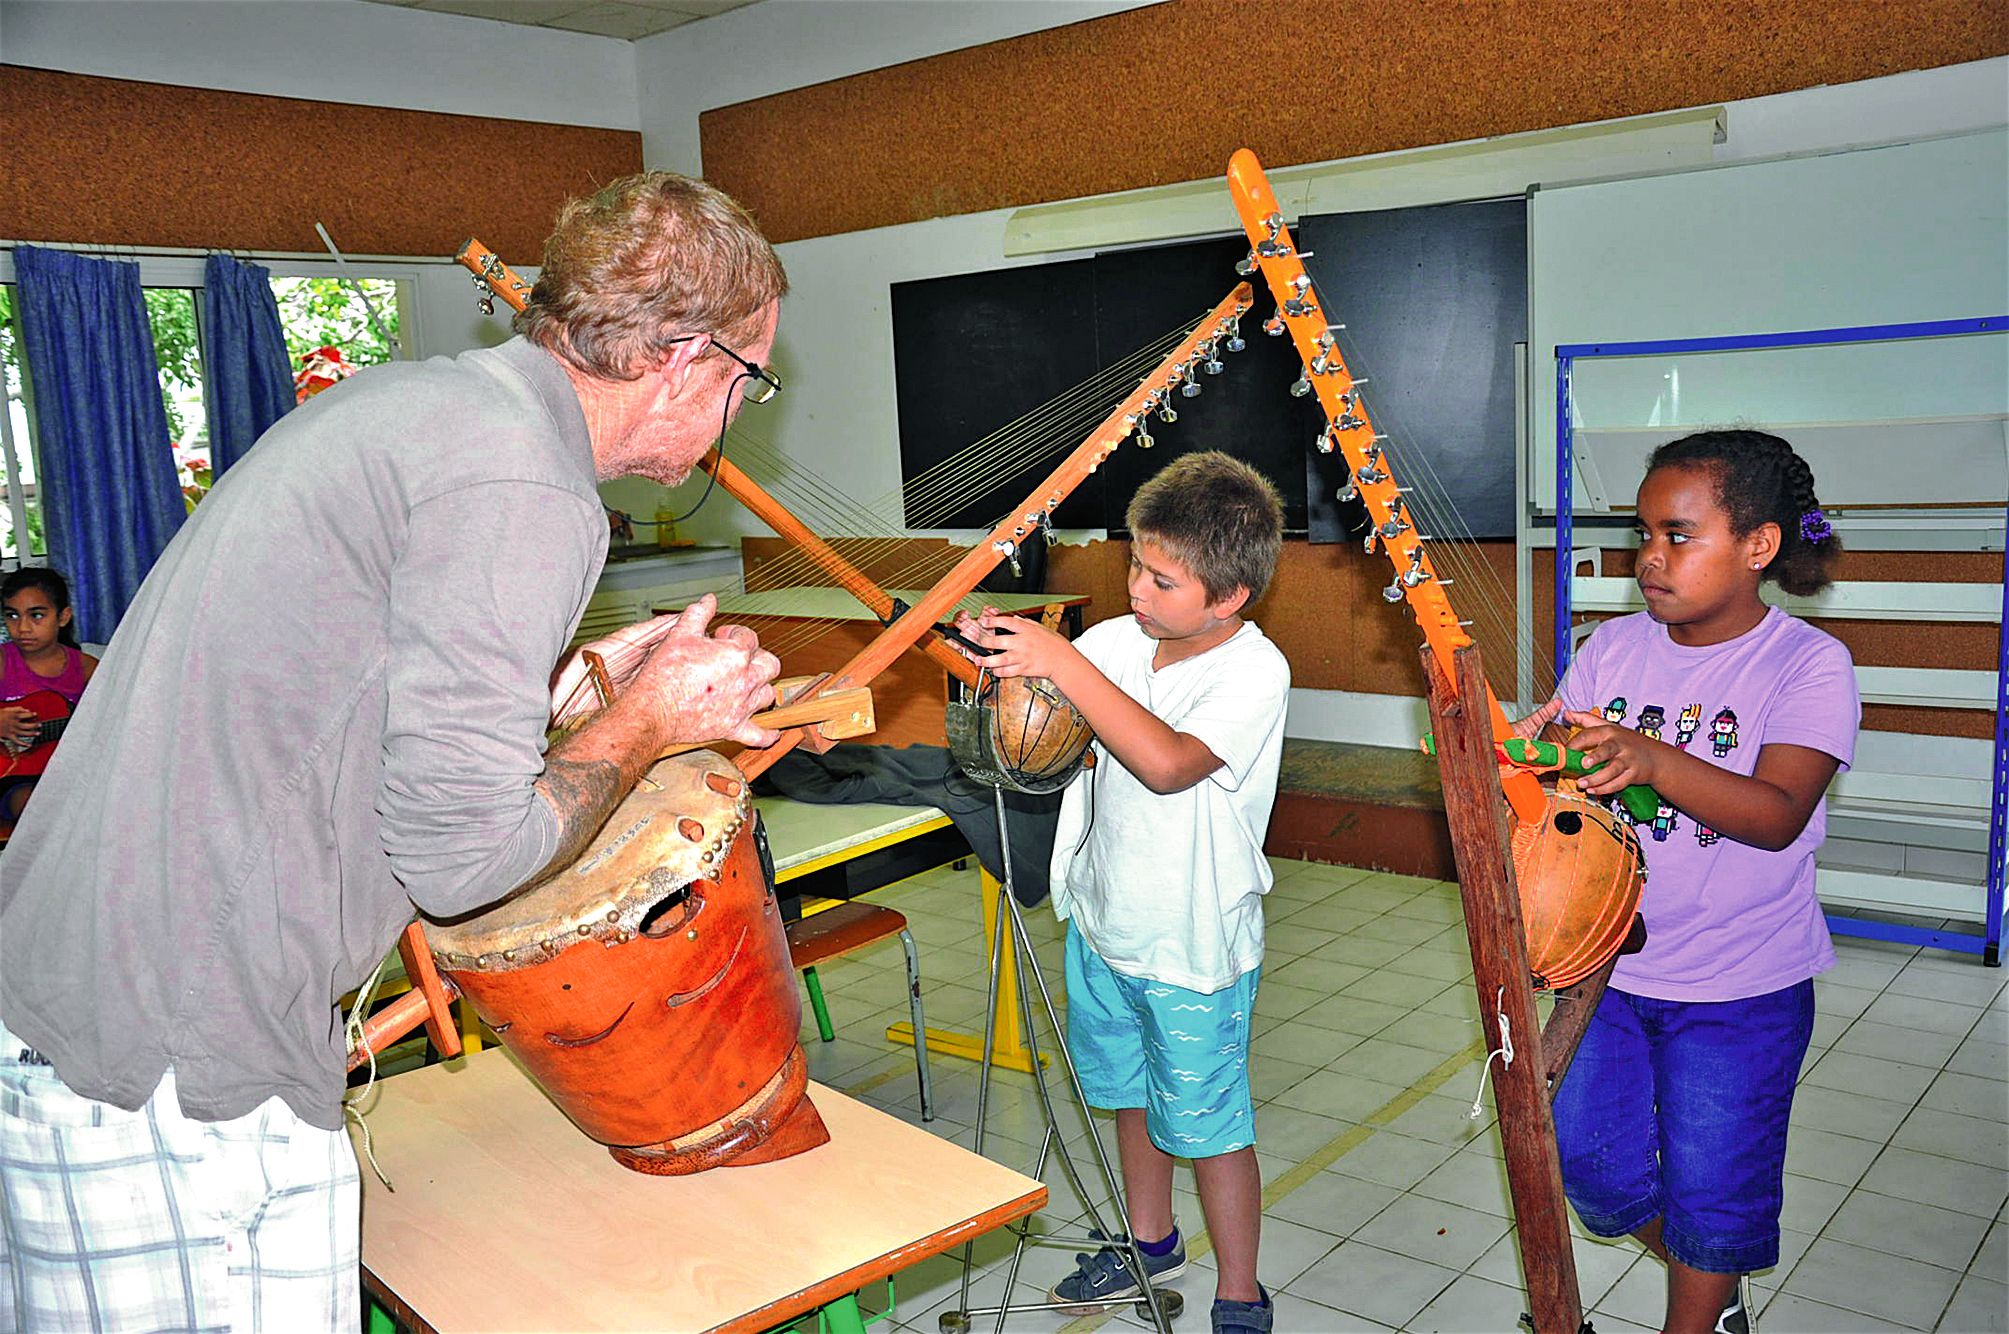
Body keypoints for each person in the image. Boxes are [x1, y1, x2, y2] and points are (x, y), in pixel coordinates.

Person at [0, 172, 789, 1333]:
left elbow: (349, 701)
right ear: (682, 358)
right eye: (747, 378)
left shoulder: (419, 408)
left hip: (84, 991)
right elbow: (461, 857)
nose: (741, 413)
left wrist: (575, 696)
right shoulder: (526, 484)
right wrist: (650, 722)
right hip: (174, 1052)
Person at [1521, 429, 1856, 1334]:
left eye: (1678, 536)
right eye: (1643, 534)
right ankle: (1715, 1275)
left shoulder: (1807, 665)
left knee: (1714, 1187)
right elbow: (1555, 769)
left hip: (1741, 987)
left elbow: (1776, 811)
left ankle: (1702, 1311)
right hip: (1606, 976)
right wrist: (1514, 748)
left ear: (1757, 548)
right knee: (1593, 1172)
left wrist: (1651, 760)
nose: (1648, 560)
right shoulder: (1612, 651)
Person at [955, 451, 1290, 1334]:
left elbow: (1168, 762)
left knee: (1210, 1124)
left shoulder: (1253, 672)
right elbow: (1050, 733)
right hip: (1103, 923)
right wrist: (1001, 669)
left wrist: (1063, 667)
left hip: (1191, 948)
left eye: (1163, 579)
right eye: (1136, 565)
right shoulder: (1106, 646)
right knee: (1131, 1096)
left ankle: (1240, 1291)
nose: (1138, 589)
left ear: (1227, 598)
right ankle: (1149, 1243)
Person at [0, 567, 99, 829]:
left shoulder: (87, 669)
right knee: (35, 805)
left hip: (67, 772)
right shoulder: (2, 662)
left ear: (63, 616)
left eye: (37, 615)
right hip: (11, 779)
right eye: (12, 615)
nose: (22, 628)